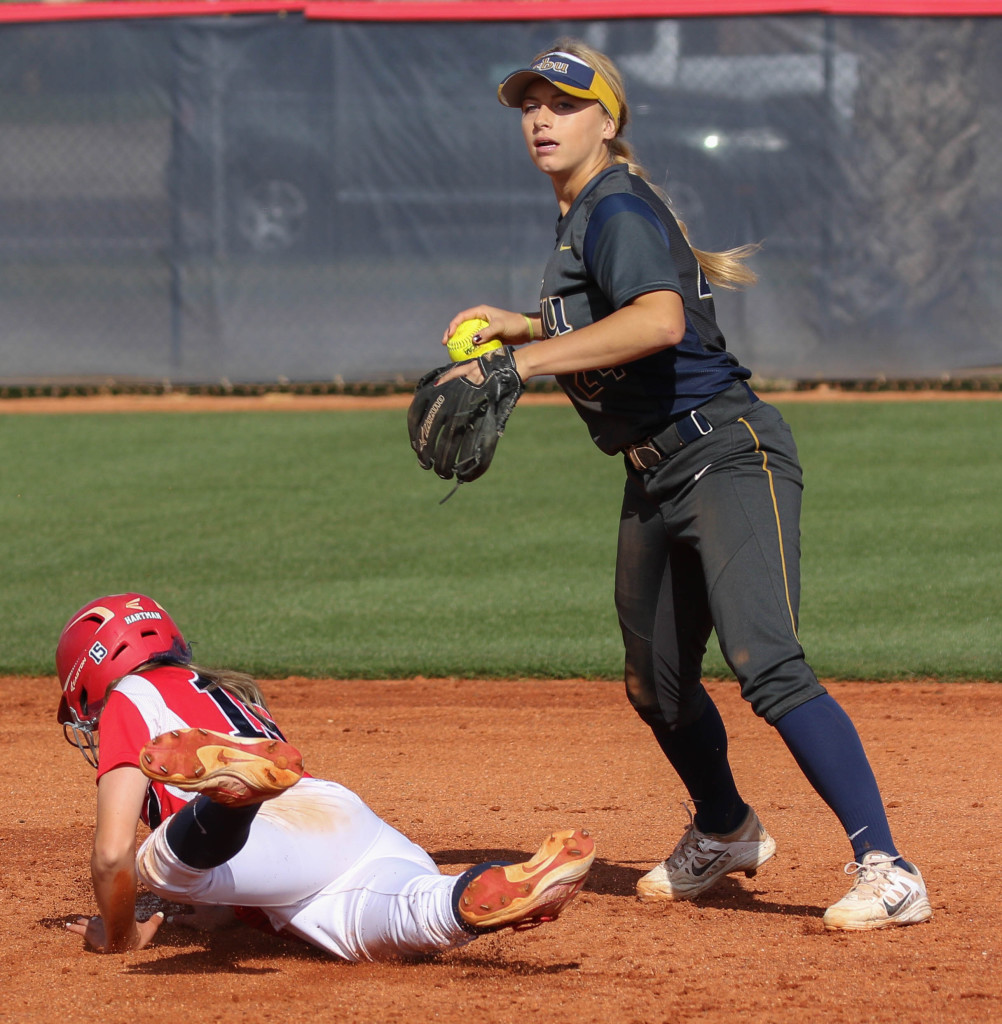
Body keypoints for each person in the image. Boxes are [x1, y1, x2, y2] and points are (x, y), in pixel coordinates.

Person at [436, 40, 930, 931]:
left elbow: (659, 320)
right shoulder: (586, 210)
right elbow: (611, 307)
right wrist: (520, 325)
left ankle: (888, 868)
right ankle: (726, 826)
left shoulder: (614, 204)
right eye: (530, 103)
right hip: (655, 475)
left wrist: (526, 362)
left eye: (565, 102)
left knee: (767, 665)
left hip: (726, 456)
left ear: (608, 119)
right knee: (657, 685)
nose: (542, 118)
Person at [56, 592, 595, 959]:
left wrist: (121, 936)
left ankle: (230, 801)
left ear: (93, 679)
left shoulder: (129, 697)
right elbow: (263, 875)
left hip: (261, 838)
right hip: (339, 822)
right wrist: (214, 912)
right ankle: (472, 892)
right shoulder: (223, 687)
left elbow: (110, 855)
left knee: (158, 866)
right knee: (412, 922)